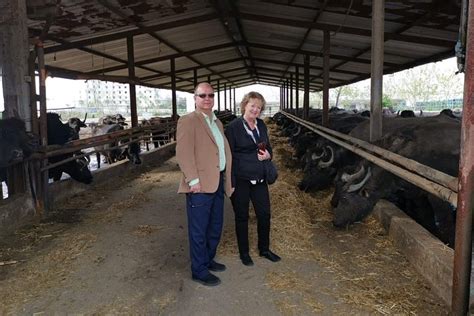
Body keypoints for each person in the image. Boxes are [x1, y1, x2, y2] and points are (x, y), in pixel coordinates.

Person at [176, 82, 233, 286]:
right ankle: (198, 270)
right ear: (195, 98)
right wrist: (193, 180)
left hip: (217, 181)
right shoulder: (188, 121)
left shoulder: (216, 122)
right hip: (199, 185)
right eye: (202, 95)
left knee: (215, 225)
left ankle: (208, 260)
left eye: (210, 95)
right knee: (199, 229)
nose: (207, 98)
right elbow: (183, 153)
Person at [225, 91, 281, 266]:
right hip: (241, 180)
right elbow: (228, 156)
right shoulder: (233, 128)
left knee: (264, 214)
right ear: (244, 106)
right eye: (252, 106)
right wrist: (230, 182)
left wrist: (268, 156)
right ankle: (244, 253)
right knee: (242, 216)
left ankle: (264, 249)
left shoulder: (262, 126)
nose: (255, 110)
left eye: (259, 107)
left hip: (260, 179)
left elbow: (269, 149)